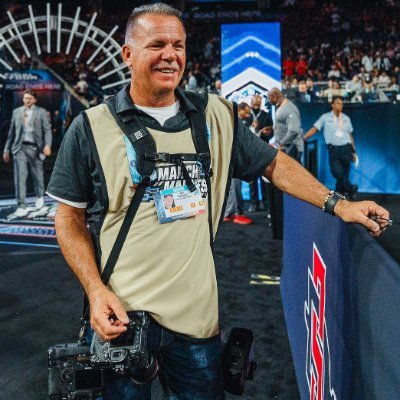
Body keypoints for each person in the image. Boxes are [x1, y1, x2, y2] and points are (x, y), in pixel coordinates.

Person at [47, 4, 389, 400]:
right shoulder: (90, 127)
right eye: (156, 44)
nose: (170, 55)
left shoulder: (215, 115)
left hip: (197, 322)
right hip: (119, 318)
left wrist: (338, 204)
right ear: (127, 54)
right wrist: (94, 290)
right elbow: (68, 216)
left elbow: (273, 163)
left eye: (178, 45)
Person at [3, 89, 52, 217]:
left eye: (30, 98)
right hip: (19, 148)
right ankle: (21, 205)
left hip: (36, 148)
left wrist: (47, 145)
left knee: (38, 175)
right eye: (25, 98)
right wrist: (6, 149)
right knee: (20, 177)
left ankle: (40, 197)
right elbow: (12, 133)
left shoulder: (41, 112)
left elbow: (47, 130)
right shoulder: (16, 112)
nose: (27, 100)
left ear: (35, 100)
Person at [303, 96, 358, 199]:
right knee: (336, 172)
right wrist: (303, 138)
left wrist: (354, 151)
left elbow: (350, 136)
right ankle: (351, 188)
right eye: (337, 103)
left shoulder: (346, 118)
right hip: (334, 149)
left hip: (346, 149)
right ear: (332, 104)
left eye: (341, 104)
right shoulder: (325, 117)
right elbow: (315, 129)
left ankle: (340, 196)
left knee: (345, 174)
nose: (340, 105)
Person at [223, 102, 254, 225]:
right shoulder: (233, 121)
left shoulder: (235, 121)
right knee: (235, 187)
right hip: (233, 158)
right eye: (245, 112)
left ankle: (228, 213)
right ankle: (238, 214)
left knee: (231, 188)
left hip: (230, 157)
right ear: (239, 110)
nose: (247, 115)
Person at [246, 95, 273, 212]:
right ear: (251, 103)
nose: (256, 106)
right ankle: (254, 203)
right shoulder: (246, 116)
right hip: (250, 151)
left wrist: (266, 132)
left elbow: (271, 133)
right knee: (251, 179)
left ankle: (266, 204)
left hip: (263, 151)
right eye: (254, 104)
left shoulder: (266, 116)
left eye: (258, 104)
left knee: (264, 179)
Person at [267, 87, 304, 162]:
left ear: (275, 97)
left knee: (292, 173)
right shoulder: (281, 107)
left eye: (269, 98)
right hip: (285, 149)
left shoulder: (289, 109)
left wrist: (280, 144)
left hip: (292, 150)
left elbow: (293, 131)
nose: (268, 101)